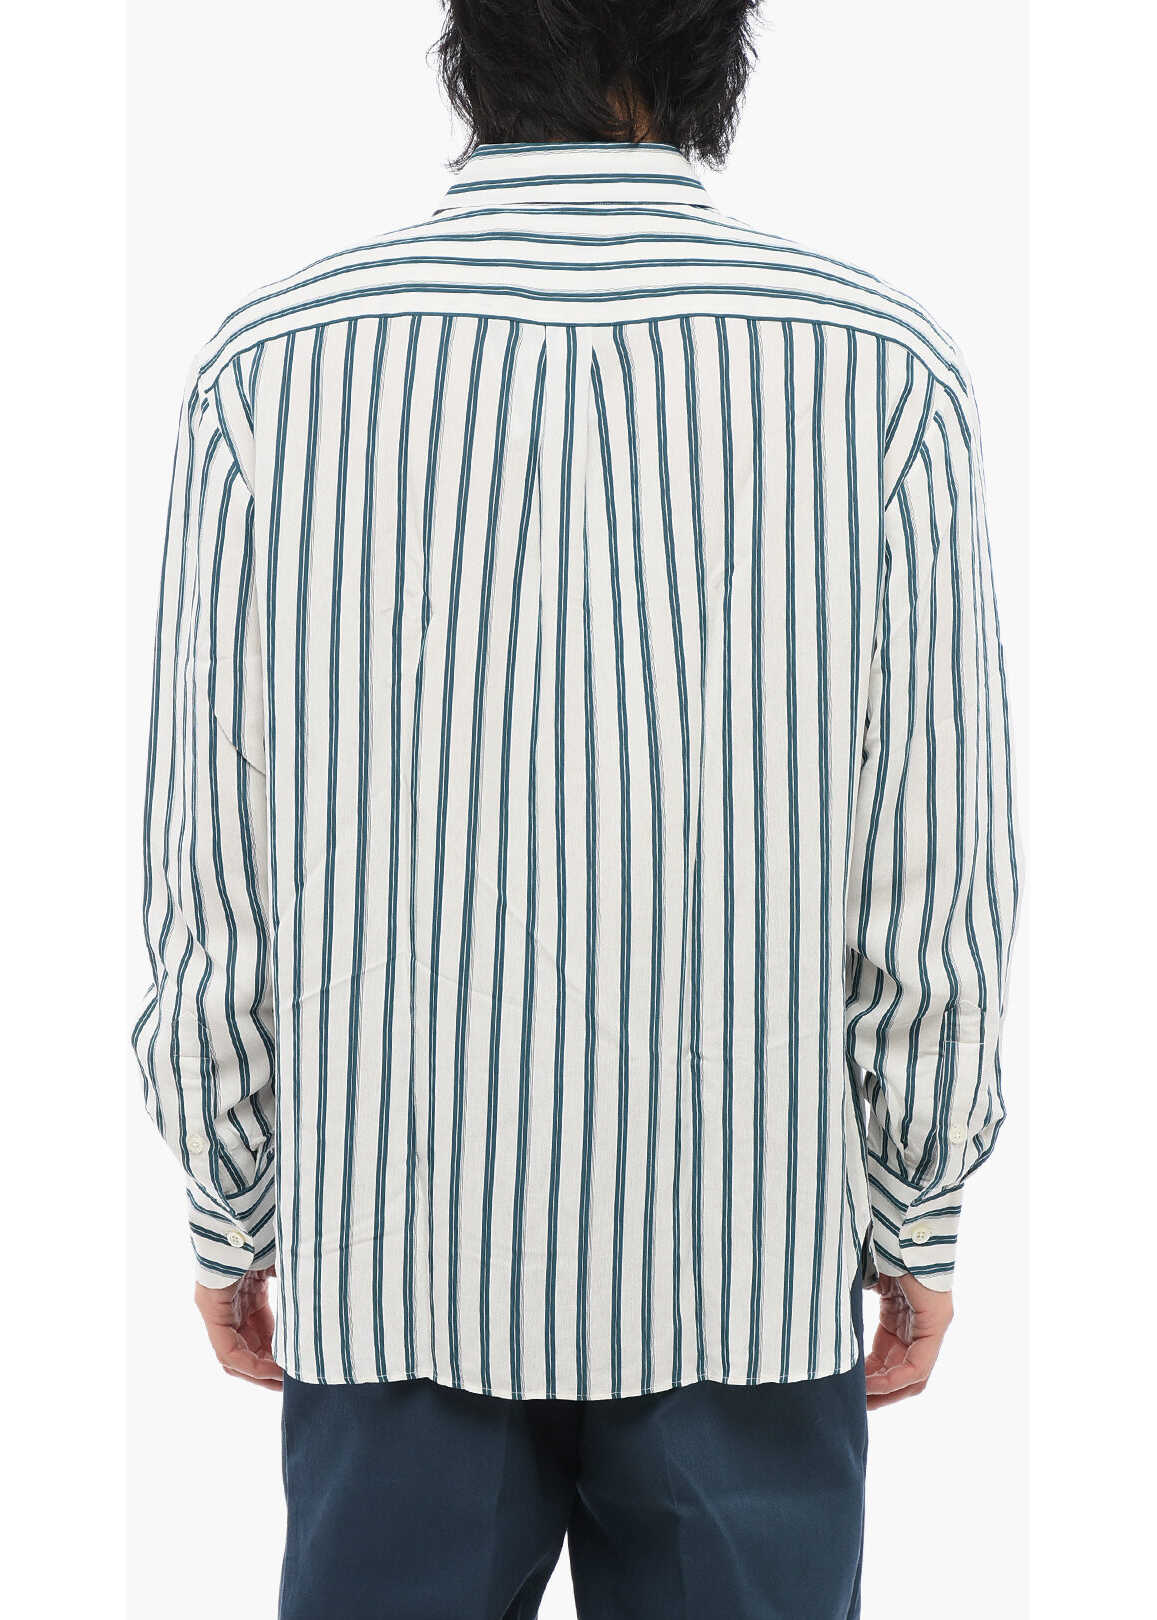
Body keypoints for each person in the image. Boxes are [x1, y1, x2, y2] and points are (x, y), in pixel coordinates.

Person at [131, 2, 1020, 1614]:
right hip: (745, 1271)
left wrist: (228, 1191)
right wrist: (916, 1208)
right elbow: (931, 853)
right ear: (712, 59)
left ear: (469, 53)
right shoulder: (877, 366)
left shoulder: (275, 364)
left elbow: (215, 845)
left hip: (391, 1262)